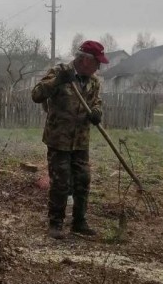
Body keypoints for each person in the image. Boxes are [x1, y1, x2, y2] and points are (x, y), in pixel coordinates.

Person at [31, 40, 109, 239]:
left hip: (81, 140)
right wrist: (57, 82)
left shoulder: (94, 81)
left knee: (83, 180)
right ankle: (56, 223)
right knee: (61, 182)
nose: (98, 67)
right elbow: (36, 95)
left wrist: (97, 112)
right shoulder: (59, 72)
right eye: (96, 62)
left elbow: (97, 102)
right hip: (59, 139)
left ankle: (79, 222)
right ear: (84, 60)